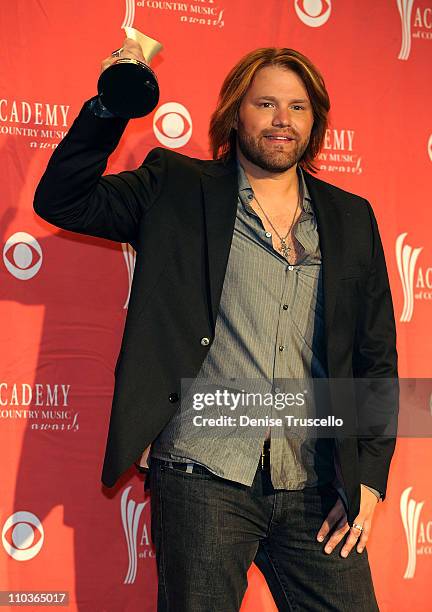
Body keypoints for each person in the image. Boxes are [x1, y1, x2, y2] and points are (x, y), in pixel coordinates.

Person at [34, 40, 398, 611]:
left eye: (298, 107)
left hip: (317, 480)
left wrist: (371, 478)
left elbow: (377, 354)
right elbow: (62, 201)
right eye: (266, 104)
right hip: (203, 471)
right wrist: (111, 107)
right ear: (235, 113)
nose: (282, 120)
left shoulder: (352, 215)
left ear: (315, 120)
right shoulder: (176, 187)